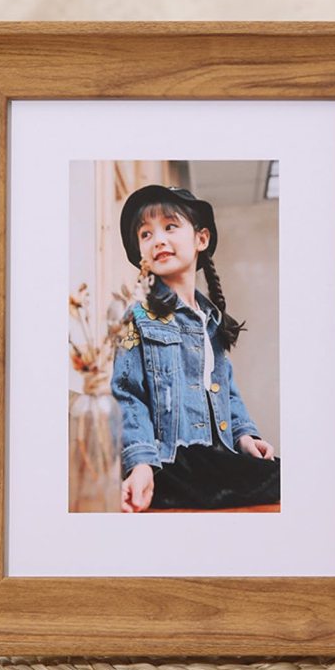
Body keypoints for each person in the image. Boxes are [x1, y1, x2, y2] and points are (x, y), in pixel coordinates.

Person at [111, 184, 280, 513]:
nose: (158, 239)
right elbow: (128, 397)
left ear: (201, 239)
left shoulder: (210, 321)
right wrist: (141, 464)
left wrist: (245, 436)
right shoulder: (138, 317)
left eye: (170, 226)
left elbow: (227, 391)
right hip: (171, 463)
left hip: (217, 457)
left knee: (291, 474)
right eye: (146, 234)